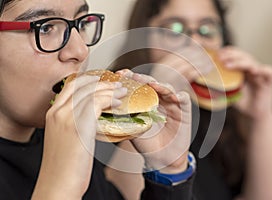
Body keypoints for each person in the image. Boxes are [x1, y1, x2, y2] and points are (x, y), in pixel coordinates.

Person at [0, 0, 198, 199]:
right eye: (46, 27)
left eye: (82, 24)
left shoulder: (70, 137)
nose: (80, 51)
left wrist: (169, 169)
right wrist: (59, 190)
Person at [107, 0, 272, 199]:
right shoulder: (111, 97)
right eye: (175, 28)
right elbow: (120, 195)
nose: (195, 42)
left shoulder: (227, 112)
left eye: (207, 29)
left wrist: (262, 115)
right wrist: (152, 98)